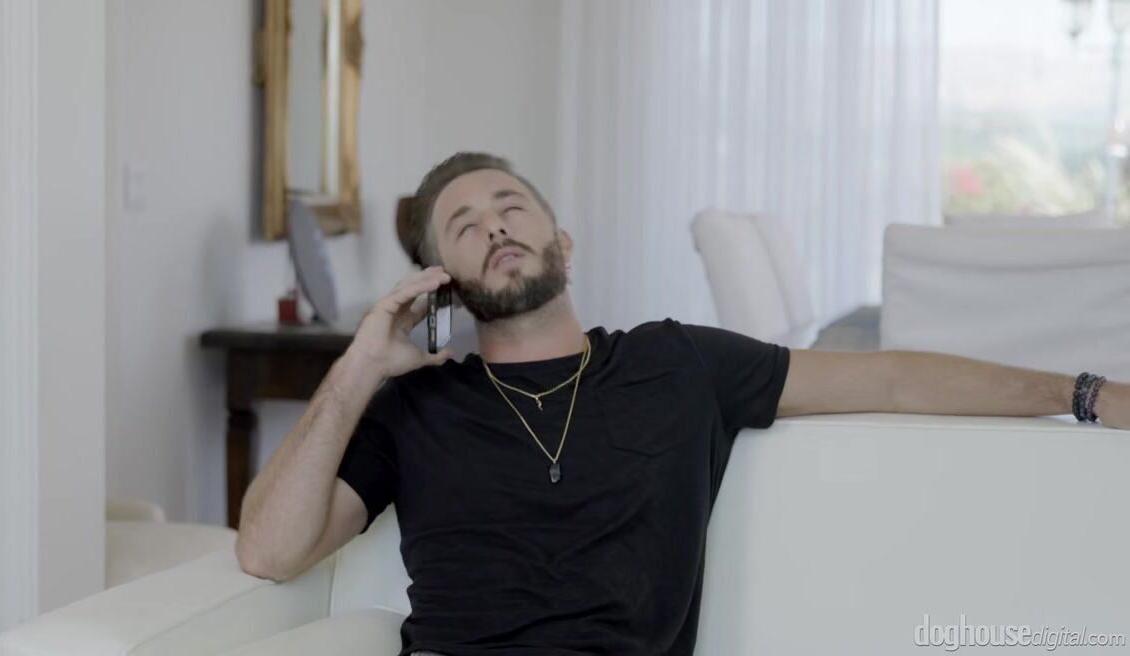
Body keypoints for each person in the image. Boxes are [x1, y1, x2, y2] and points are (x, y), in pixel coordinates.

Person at [234, 152, 1127, 656]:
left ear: (561, 241)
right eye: (464, 227)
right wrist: (359, 365)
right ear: (443, 283)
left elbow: (890, 378)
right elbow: (269, 552)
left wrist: (1081, 392)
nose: (495, 225)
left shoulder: (677, 364)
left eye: (511, 207)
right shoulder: (415, 408)